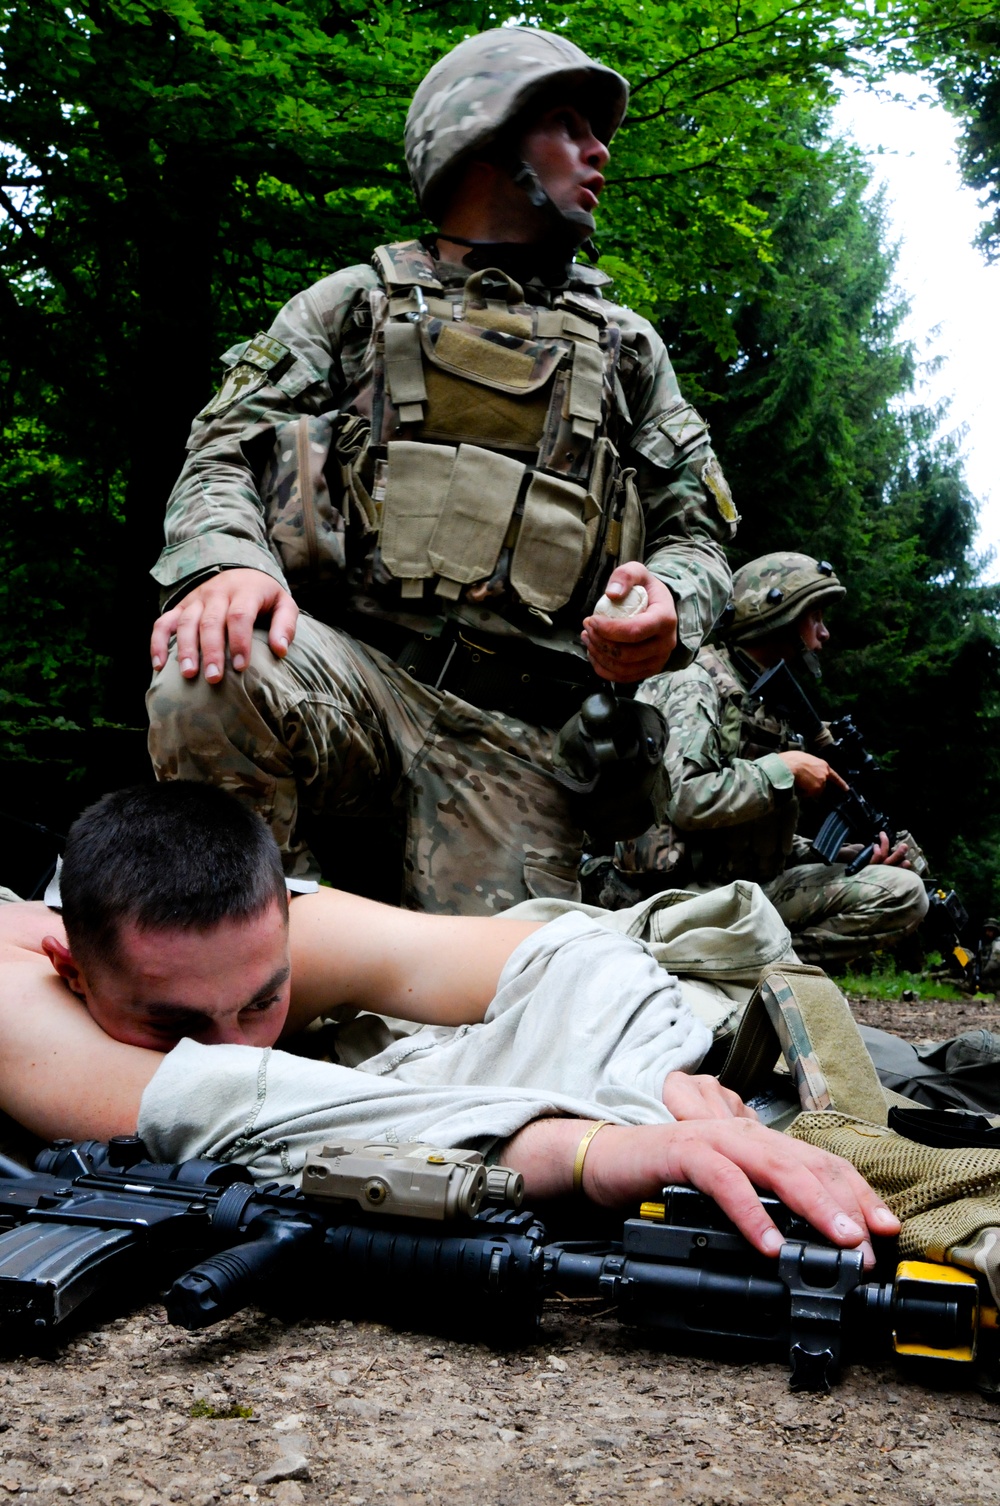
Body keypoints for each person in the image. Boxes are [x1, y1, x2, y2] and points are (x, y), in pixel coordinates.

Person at [146, 27, 737, 915]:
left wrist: (670, 603)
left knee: (497, 1024)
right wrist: (227, 563)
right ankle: (230, 959)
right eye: (568, 123)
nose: (599, 148)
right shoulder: (354, 305)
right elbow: (224, 448)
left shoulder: (626, 349)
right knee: (212, 664)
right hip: (349, 682)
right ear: (485, 136)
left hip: (519, 741)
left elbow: (700, 532)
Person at [0, 782, 897, 1266]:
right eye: (175, 1022)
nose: (239, 1036)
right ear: (71, 969)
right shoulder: (17, 997)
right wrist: (593, 1150)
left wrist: (647, 1083)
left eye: (262, 1001)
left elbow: (567, 953)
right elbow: (233, 1104)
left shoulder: (262, 931)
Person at [590, 553, 929, 964]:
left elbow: (745, 836)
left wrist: (830, 855)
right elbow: (683, 800)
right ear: (780, 614)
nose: (824, 634)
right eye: (815, 616)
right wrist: (784, 768)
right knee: (903, 892)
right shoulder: (692, 679)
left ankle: (749, 965)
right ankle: (742, 966)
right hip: (680, 896)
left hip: (737, 886)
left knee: (903, 889)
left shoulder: (763, 704)